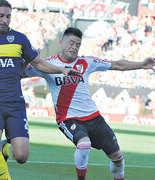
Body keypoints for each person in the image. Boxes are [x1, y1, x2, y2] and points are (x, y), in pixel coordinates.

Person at [0, 1, 80, 180]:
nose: (5, 20)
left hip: (15, 105)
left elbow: (39, 64)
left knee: (21, 156)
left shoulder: (20, 39)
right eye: (1, 16)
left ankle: (6, 147)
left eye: (8, 16)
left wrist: (62, 69)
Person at [22, 27, 155, 180]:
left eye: (78, 45)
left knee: (118, 159)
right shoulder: (47, 65)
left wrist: (141, 64)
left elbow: (117, 65)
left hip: (94, 118)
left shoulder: (87, 62)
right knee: (84, 145)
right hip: (69, 118)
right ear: (61, 43)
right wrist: (27, 61)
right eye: (71, 43)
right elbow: (20, 74)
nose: (74, 47)